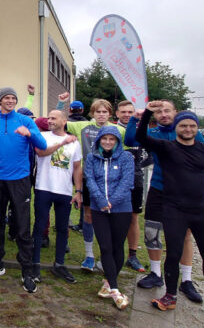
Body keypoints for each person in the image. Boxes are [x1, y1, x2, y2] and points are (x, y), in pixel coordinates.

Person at [136, 104, 204, 328]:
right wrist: (147, 113)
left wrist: (197, 192)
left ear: (197, 128)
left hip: (201, 209)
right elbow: (140, 136)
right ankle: (170, 295)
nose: (188, 129)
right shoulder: (166, 147)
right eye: (183, 125)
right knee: (173, 251)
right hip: (174, 209)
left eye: (192, 125)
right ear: (176, 127)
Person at [125, 99, 204, 302]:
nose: (164, 115)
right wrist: (136, 119)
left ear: (175, 112)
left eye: (167, 111)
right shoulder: (153, 133)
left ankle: (186, 280)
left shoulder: (189, 132)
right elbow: (131, 140)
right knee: (152, 232)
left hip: (185, 193)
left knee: (185, 235)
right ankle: (155, 273)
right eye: (159, 112)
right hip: (159, 189)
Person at [0, 87, 47, 293]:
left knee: (22, 226)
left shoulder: (26, 121)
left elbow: (42, 145)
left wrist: (31, 134)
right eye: (6, 98)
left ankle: (26, 270)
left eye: (13, 98)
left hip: (20, 180)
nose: (10, 101)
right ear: (0, 101)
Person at [66, 99, 119, 272]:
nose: (101, 115)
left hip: (110, 181)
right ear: (92, 113)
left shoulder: (119, 130)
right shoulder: (82, 126)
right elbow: (56, 122)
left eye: (104, 112)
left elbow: (133, 142)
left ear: (109, 114)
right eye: (98, 112)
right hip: (89, 178)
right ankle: (89, 256)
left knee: (109, 218)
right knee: (88, 217)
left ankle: (107, 256)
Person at [85, 126, 134, 310]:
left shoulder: (126, 158)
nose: (107, 142)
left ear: (117, 141)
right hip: (99, 208)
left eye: (111, 139)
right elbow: (90, 179)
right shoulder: (92, 158)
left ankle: (108, 282)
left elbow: (127, 181)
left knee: (116, 246)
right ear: (98, 140)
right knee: (105, 246)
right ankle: (115, 289)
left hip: (121, 208)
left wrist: (112, 201)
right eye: (104, 139)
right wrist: (100, 200)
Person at [32, 109, 83, 284]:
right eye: (49, 118)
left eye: (54, 118)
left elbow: (77, 167)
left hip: (64, 191)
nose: (50, 121)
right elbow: (41, 152)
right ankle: (35, 264)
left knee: (62, 229)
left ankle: (59, 264)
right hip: (43, 188)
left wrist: (78, 191)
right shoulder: (43, 136)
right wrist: (62, 143)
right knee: (39, 227)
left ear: (64, 120)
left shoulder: (74, 143)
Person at [116, 100, 147, 272]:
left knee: (134, 217)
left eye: (130, 112)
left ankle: (132, 256)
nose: (127, 115)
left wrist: (139, 166)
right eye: (124, 112)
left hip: (136, 179)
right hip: (115, 179)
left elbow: (149, 155)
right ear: (117, 114)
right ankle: (113, 253)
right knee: (114, 217)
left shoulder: (140, 131)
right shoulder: (113, 130)